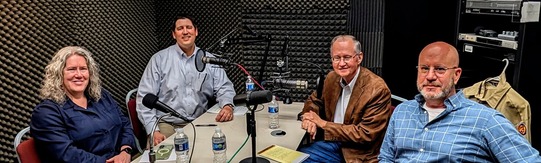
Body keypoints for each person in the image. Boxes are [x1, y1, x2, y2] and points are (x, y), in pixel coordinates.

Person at [378, 41, 541, 162]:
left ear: (456, 75)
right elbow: (386, 158)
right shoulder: (402, 111)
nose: (430, 76)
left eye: (440, 69)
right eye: (424, 68)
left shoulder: (486, 120)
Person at [136, 14, 236, 146]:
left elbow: (224, 87)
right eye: (180, 28)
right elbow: (144, 98)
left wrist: (227, 106)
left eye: (189, 27)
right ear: (173, 34)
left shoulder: (209, 59)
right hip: (167, 124)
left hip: (199, 121)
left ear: (196, 31)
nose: (185, 32)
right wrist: (153, 131)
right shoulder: (158, 60)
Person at [30, 46, 136, 163]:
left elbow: (124, 123)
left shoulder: (102, 96)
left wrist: (126, 150)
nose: (79, 75)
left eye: (83, 69)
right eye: (72, 69)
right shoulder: (46, 112)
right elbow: (66, 154)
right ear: (59, 75)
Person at [299, 35, 392, 163]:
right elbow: (314, 100)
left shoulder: (377, 89)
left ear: (359, 58)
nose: (341, 63)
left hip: (358, 153)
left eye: (347, 57)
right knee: (295, 157)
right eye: (337, 58)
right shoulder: (332, 78)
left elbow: (365, 134)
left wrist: (324, 124)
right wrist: (310, 117)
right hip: (332, 144)